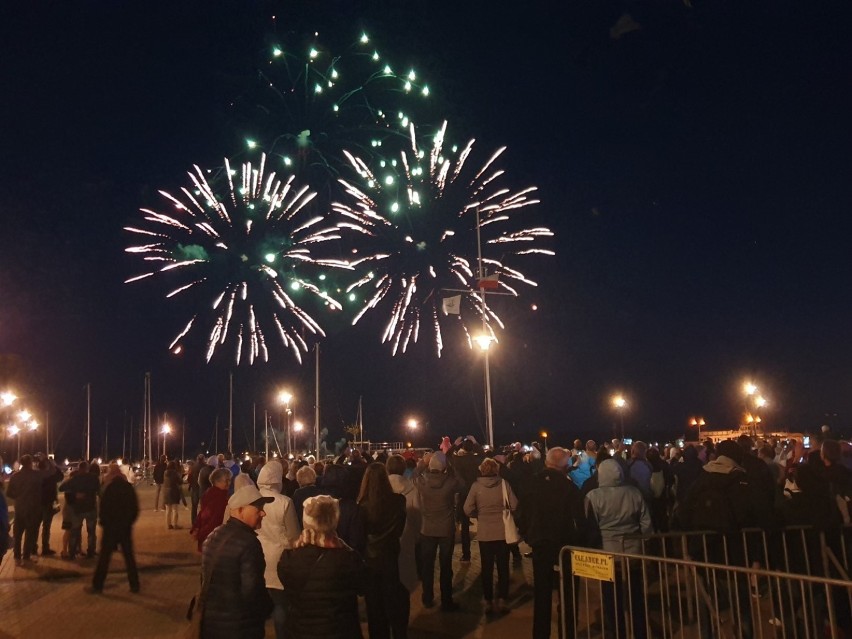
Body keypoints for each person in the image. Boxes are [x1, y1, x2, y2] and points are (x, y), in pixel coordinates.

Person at [518, 447, 584, 639]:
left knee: (542, 594)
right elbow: (578, 518)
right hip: (565, 545)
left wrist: (528, 535)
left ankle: (540, 633)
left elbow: (521, 513)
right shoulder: (569, 487)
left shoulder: (532, 483)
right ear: (565, 465)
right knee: (568, 594)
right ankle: (568, 632)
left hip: (540, 543)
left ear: (547, 462)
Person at [278, 494, 365, 638]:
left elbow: (289, 590)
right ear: (335, 521)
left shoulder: (289, 558)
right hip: (340, 630)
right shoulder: (349, 558)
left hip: (301, 630)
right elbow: (361, 586)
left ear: (306, 521)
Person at [584, 458, 652, 638]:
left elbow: (591, 526)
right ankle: (639, 631)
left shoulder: (593, 496)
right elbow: (646, 522)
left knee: (611, 595)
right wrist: (643, 538)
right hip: (633, 549)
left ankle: (617, 630)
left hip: (607, 552)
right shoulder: (634, 493)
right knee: (635, 593)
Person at [200, 483, 274, 638]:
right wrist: (268, 608)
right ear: (240, 510)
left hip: (211, 623)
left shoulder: (214, 535)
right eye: (258, 508)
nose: (263, 513)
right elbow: (252, 591)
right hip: (239, 627)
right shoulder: (248, 543)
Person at [358, 462, 408, 638]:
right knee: (393, 602)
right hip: (390, 557)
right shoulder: (398, 501)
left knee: (374, 609)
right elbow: (399, 530)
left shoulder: (362, 506)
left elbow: (360, 536)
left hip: (370, 561)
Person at [464, 457, 518, 615]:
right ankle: (502, 598)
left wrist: (478, 514)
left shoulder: (476, 486)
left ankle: (487, 600)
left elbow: (467, 508)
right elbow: (514, 504)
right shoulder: (504, 484)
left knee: (486, 568)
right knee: (503, 567)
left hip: (485, 533)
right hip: (502, 532)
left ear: (481, 469)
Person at [414, 451, 464, 611]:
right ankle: (446, 599)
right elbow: (462, 484)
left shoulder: (422, 482)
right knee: (445, 565)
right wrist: (452, 466)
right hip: (445, 529)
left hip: (427, 528)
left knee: (427, 566)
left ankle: (427, 597)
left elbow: (413, 476)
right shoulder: (450, 483)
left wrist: (422, 463)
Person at [256, 460, 300, 639]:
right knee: (281, 606)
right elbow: (294, 535)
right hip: (279, 559)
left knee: (257, 608)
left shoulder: (251, 499)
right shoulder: (284, 502)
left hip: (255, 557)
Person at [90, 463, 140, 593]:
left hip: (111, 528)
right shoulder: (128, 488)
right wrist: (129, 522)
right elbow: (135, 508)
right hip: (125, 527)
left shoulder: (109, 488)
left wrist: (104, 523)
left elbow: (104, 508)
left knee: (104, 558)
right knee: (129, 557)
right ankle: (134, 585)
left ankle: (97, 585)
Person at [7, 454, 58, 566]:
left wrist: (20, 496)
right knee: (30, 534)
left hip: (19, 508)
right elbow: (52, 471)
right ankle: (26, 556)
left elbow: (9, 493)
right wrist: (45, 459)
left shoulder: (15, 476)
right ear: (30, 463)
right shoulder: (36, 475)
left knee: (18, 534)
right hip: (33, 509)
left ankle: (17, 557)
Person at [386, 454, 422, 594]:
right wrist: (417, 535)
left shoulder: (381, 488)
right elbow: (417, 514)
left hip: (386, 539)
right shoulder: (412, 488)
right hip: (407, 536)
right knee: (405, 581)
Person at [58, 459, 100, 560]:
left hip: (78, 509)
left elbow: (61, 488)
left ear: (79, 468)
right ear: (87, 468)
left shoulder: (75, 479)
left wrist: (74, 493)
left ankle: (72, 552)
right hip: (90, 508)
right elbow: (99, 490)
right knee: (91, 532)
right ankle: (91, 551)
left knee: (75, 531)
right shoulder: (94, 478)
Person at [190, 468, 231, 552]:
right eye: (226, 480)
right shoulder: (219, 497)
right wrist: (201, 533)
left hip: (209, 536)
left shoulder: (210, 493)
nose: (228, 483)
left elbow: (202, 513)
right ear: (217, 481)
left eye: (229, 480)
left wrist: (197, 528)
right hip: (214, 538)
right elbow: (214, 519)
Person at [37, 457, 63, 556]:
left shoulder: (36, 476)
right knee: (46, 527)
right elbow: (60, 476)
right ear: (47, 467)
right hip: (47, 503)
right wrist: (54, 464)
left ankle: (33, 548)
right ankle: (45, 548)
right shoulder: (50, 476)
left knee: (35, 526)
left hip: (37, 504)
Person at [187, 453, 206, 526]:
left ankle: (194, 522)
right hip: (203, 488)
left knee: (194, 506)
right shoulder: (205, 467)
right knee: (203, 506)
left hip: (194, 488)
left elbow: (189, 478)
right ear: (203, 459)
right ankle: (202, 521)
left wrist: (191, 484)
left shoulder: (193, 467)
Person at [163, 460, 183, 529]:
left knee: (168, 510)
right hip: (174, 492)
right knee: (175, 509)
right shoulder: (175, 473)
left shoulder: (165, 473)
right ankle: (175, 524)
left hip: (166, 492)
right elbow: (180, 481)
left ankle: (168, 524)